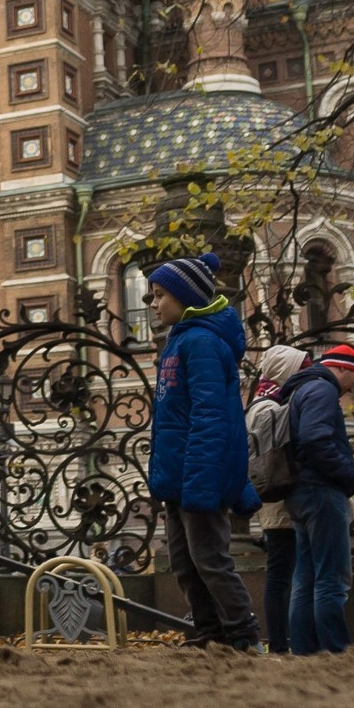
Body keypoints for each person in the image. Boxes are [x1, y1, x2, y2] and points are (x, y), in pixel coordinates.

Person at [144, 252, 262, 651]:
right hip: (181, 475)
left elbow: (210, 417)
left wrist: (200, 481)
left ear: (185, 296)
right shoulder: (180, 340)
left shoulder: (203, 343)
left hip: (199, 476)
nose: (154, 304)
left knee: (210, 559)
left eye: (160, 295)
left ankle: (243, 635)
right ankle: (210, 634)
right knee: (184, 562)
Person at [274, 342, 354, 654]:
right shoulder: (322, 390)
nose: (353, 387)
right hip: (321, 490)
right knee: (331, 577)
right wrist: (347, 475)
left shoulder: (300, 389)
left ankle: (305, 651)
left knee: (306, 578)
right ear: (342, 369)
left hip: (300, 491)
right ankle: (336, 651)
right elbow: (316, 440)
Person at [245, 344, 309, 654]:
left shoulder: (262, 400)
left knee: (282, 571)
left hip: (275, 498)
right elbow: (273, 452)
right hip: (278, 498)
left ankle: (284, 641)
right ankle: (281, 643)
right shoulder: (270, 405)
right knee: (281, 572)